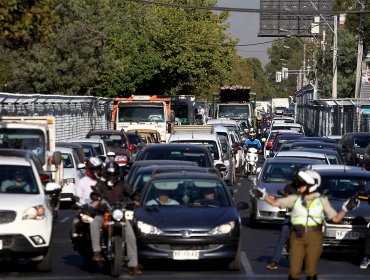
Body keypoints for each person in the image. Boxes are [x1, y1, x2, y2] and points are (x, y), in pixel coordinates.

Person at [252, 169, 360, 280]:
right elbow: (276, 203)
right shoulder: (295, 198)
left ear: (311, 185)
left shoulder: (322, 200)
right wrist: (263, 195)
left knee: (311, 270)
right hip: (297, 236)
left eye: (302, 184)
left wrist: (345, 209)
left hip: (314, 236)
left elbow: (336, 219)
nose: (299, 187)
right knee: (294, 271)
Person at [90, 161, 143, 275]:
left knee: (131, 237)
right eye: (109, 174)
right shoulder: (101, 184)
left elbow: (132, 192)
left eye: (114, 174)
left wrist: (135, 199)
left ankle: (133, 266)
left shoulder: (123, 184)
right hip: (104, 213)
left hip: (120, 214)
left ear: (118, 174)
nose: (111, 177)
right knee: (94, 224)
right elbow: (95, 192)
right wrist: (96, 199)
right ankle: (97, 251)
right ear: (105, 174)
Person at [266, 181, 299, 270]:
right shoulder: (288, 187)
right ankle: (274, 261)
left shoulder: (304, 190)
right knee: (282, 237)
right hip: (289, 217)